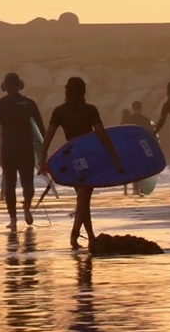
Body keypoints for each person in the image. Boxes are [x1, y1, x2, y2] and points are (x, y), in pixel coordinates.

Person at [41, 77, 123, 250]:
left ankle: (89, 235)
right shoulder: (90, 110)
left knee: (83, 196)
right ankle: (75, 234)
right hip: (89, 156)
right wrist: (114, 154)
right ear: (83, 91)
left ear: (66, 91)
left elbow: (47, 137)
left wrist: (42, 159)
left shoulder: (59, 111)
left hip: (72, 157)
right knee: (84, 196)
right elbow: (101, 133)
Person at [0, 72, 46, 229]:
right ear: (19, 85)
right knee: (28, 183)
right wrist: (43, 151)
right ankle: (26, 207)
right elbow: (40, 129)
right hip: (26, 147)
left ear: (5, 87)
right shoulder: (28, 103)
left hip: (8, 148)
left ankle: (13, 220)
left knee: (10, 185)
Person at [123, 101, 153, 195]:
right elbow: (150, 133)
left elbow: (124, 133)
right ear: (140, 108)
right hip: (143, 145)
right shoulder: (145, 119)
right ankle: (141, 187)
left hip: (131, 146)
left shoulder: (128, 119)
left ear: (132, 108)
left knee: (134, 166)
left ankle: (135, 188)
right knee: (143, 166)